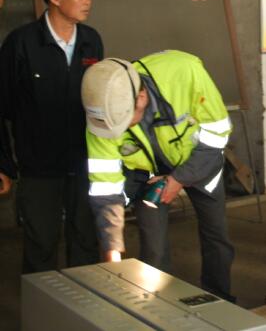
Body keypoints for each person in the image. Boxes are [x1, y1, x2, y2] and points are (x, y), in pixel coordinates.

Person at [81, 50, 235, 301]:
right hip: (148, 175)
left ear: (141, 98)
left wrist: (179, 179)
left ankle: (220, 300)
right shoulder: (101, 119)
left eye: (123, 122)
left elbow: (218, 135)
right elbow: (105, 188)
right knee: (153, 247)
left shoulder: (185, 72)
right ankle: (157, 305)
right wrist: (112, 248)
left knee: (216, 235)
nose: (117, 130)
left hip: (201, 161)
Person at [0, 0, 102, 273]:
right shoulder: (21, 43)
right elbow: (2, 107)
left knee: (85, 242)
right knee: (41, 245)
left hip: (84, 162)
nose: (87, 0)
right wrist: (4, 164)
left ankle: (83, 302)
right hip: (39, 167)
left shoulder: (91, 40)